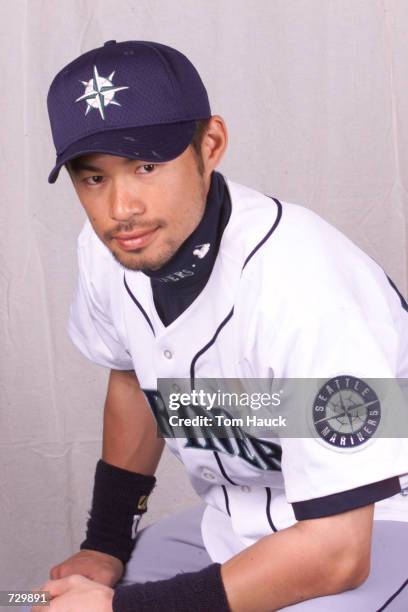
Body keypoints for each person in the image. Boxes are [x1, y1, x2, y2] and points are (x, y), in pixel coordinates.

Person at [30, 39, 408, 611]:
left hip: (376, 524)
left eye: (146, 165)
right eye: (94, 178)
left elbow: (339, 553)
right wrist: (104, 545)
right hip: (238, 522)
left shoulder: (306, 288)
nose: (121, 208)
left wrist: (122, 610)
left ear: (211, 145)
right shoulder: (111, 250)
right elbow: (134, 377)